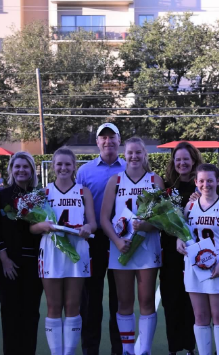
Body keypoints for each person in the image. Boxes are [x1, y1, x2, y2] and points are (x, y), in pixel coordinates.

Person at [30, 148, 97, 355]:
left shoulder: (83, 191)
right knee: (53, 305)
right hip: (51, 251)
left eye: (68, 164)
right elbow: (32, 227)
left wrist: (87, 228)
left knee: (73, 305)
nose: (63, 168)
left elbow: (93, 223)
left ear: (74, 166)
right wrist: (44, 226)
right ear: (53, 166)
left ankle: (68, 352)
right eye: (59, 164)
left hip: (77, 250)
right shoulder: (44, 192)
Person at [101, 137, 164, 355]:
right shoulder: (115, 181)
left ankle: (144, 350)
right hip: (122, 248)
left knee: (146, 300)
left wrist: (147, 224)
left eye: (138, 152)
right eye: (130, 153)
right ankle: (128, 350)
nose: (134, 156)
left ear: (144, 154)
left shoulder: (155, 180)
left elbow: (163, 218)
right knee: (124, 301)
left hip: (148, 248)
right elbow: (103, 218)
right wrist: (117, 241)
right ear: (124, 154)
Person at [176, 164, 219, 355]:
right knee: (200, 315)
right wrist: (179, 240)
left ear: (218, 181)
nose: (206, 184)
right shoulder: (190, 206)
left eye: (210, 180)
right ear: (196, 182)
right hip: (195, 266)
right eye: (201, 181)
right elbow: (183, 232)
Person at [0, 151, 44, 355]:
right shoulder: (2, 196)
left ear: (31, 170)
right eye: (17, 166)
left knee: (31, 313)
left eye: (25, 166)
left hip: (34, 265)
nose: (21, 170)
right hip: (7, 264)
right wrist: (5, 260)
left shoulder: (39, 196)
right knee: (10, 312)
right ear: (12, 170)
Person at [76, 122, 125, 355]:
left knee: (119, 299)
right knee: (91, 300)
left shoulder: (129, 168)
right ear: (97, 142)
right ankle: (90, 349)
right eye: (102, 138)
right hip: (93, 242)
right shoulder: (84, 172)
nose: (107, 141)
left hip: (121, 242)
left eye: (111, 137)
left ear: (119, 140)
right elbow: (77, 207)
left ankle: (119, 349)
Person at [160, 142, 203, 355]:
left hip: (198, 251)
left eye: (186, 159)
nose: (182, 163)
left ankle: (191, 347)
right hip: (171, 251)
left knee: (192, 301)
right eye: (178, 159)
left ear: (194, 160)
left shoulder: (202, 185)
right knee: (171, 299)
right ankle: (174, 348)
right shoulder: (167, 186)